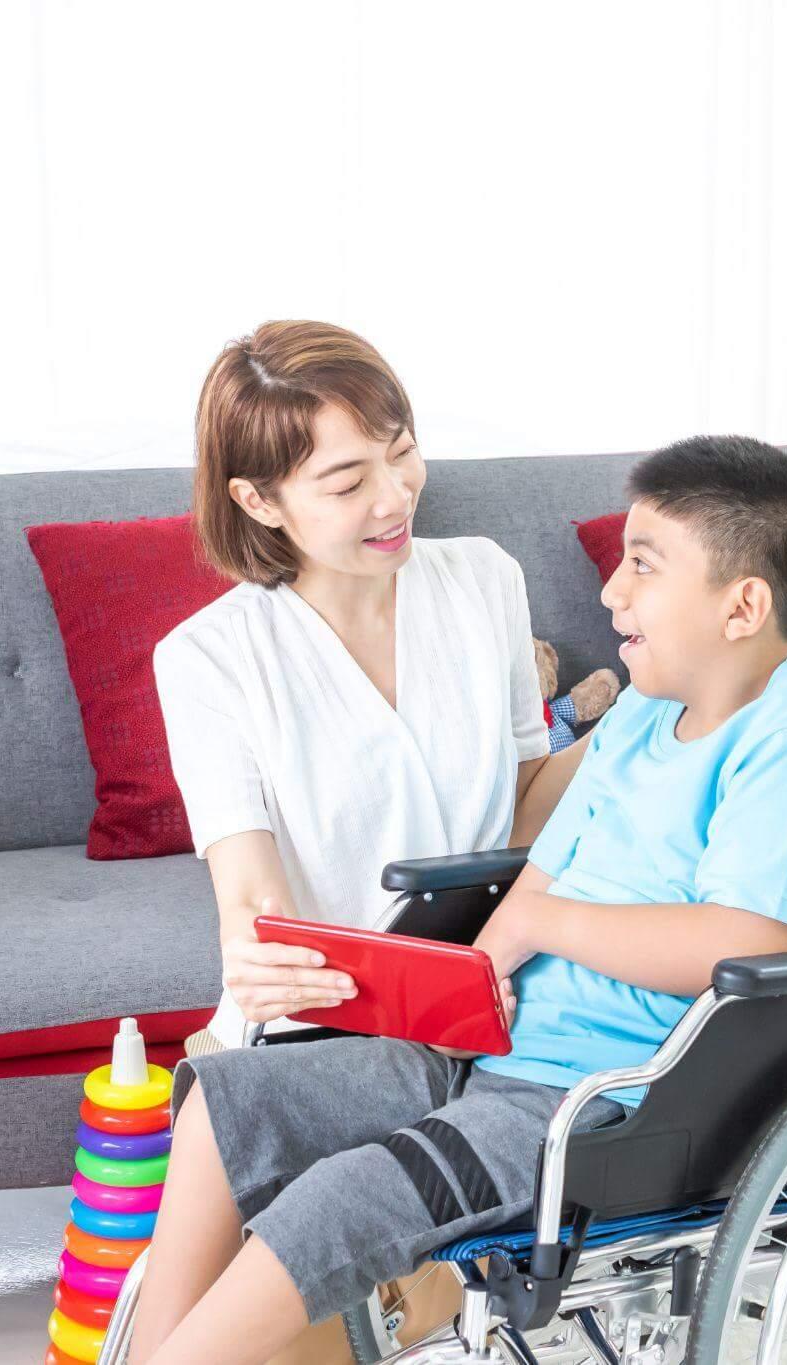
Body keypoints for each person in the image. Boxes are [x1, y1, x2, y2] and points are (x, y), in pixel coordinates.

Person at [133, 435, 787, 1365]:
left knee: (337, 1199)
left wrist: (544, 926)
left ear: (743, 604)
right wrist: (474, 976)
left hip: (607, 1098)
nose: (610, 592)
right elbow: (540, 873)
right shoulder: (646, 714)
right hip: (495, 1042)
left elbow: (750, 941)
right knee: (230, 1104)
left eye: (642, 567)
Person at [155, 320, 590, 1055]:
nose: (395, 497)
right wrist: (262, 963)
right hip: (326, 1024)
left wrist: (658, 709)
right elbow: (257, 909)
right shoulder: (209, 657)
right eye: (350, 481)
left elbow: (525, 799)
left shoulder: (486, 578)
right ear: (259, 501)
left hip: (492, 995)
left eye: (403, 451)